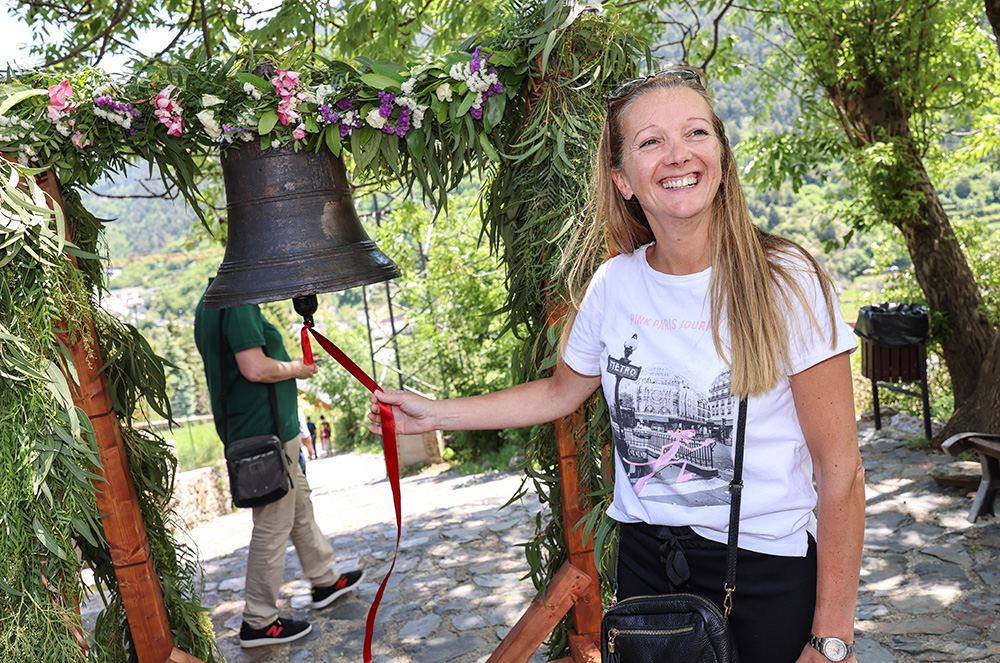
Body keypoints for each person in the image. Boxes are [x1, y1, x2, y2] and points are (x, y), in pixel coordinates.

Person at [368, 67, 864, 663]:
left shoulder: (786, 281)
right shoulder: (615, 284)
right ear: (623, 179)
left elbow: (840, 470)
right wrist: (434, 414)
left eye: (696, 133)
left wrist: (831, 636)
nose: (678, 155)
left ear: (722, 156)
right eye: (651, 141)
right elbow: (558, 393)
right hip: (648, 568)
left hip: (764, 568)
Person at [194, 280, 365, 648]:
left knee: (299, 506)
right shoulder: (238, 299)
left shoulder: (212, 299)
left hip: (269, 430)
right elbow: (254, 368)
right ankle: (259, 620)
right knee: (272, 525)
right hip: (265, 434)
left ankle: (325, 579)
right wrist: (297, 369)